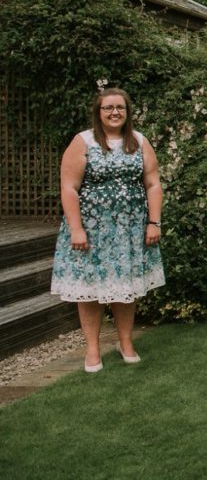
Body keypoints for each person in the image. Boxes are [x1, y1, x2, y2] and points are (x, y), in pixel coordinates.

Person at [51, 88, 165, 373]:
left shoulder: (139, 141)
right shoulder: (83, 141)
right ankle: (92, 349)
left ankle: (125, 343)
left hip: (129, 230)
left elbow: (153, 183)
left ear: (127, 112)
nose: (115, 112)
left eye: (120, 108)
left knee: (126, 287)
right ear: (98, 112)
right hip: (92, 230)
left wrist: (154, 222)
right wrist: (76, 229)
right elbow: (69, 187)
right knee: (90, 288)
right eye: (108, 108)